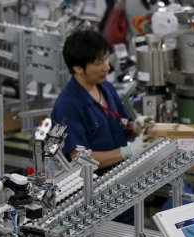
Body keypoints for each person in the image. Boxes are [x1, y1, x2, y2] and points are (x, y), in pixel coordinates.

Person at [51, 29, 149, 176]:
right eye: (99, 63)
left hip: (120, 172)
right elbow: (80, 159)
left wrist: (135, 126)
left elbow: (120, 122)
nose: (107, 67)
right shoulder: (68, 106)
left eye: (106, 58)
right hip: (93, 185)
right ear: (78, 67)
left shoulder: (106, 88)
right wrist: (127, 151)